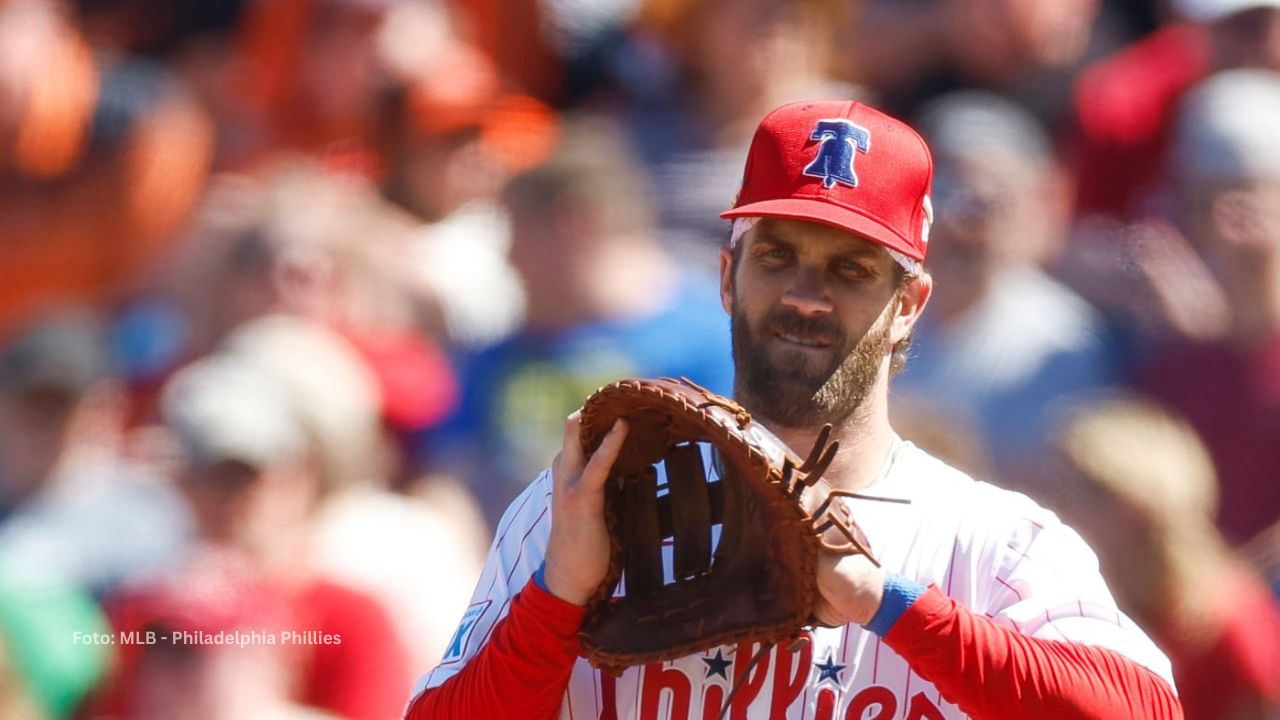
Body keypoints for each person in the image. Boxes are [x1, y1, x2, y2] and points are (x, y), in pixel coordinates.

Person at [405, 100, 1182, 719]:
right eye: (776, 256)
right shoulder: (583, 507)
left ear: (909, 305)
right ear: (725, 276)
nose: (806, 296)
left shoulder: (989, 544)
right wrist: (558, 597)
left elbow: (1145, 710)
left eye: (849, 268)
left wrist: (889, 605)